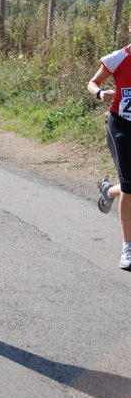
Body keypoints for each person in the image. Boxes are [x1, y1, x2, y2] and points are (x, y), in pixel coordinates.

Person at [88, 15, 131, 270]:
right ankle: (128, 248)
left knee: (129, 185)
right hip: (121, 126)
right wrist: (100, 94)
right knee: (130, 185)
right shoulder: (119, 58)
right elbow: (92, 82)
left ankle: (107, 191)